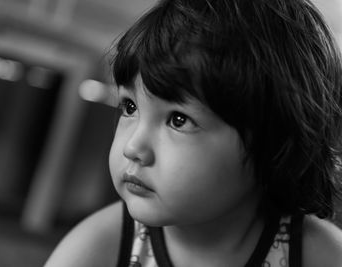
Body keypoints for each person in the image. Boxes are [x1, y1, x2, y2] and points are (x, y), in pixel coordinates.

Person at [44, 0, 342, 266]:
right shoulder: (100, 247)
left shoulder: (317, 254)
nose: (133, 147)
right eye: (130, 106)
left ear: (275, 143)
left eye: (178, 119)